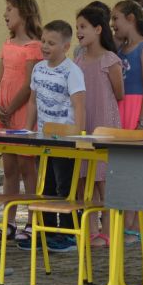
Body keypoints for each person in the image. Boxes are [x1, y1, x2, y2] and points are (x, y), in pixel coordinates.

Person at [21, 20, 86, 252]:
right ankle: (46, 232)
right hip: (43, 138)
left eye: (51, 43)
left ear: (66, 47)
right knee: (45, 186)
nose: (45, 46)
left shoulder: (72, 71)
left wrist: (78, 136)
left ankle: (69, 234)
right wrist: (27, 131)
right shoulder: (38, 69)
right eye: (43, 41)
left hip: (66, 141)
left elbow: (79, 105)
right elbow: (32, 102)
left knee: (65, 186)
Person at [0, 0, 43, 243]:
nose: (5, 14)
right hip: (5, 115)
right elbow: (0, 76)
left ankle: (32, 221)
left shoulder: (34, 47)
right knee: (9, 168)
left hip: (20, 114)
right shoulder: (7, 44)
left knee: (26, 167)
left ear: (24, 13)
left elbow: (29, 84)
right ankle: (8, 222)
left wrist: (10, 108)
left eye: (10, 9)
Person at [74, 5, 123, 248]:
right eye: (76, 28)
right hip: (85, 123)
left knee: (104, 178)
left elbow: (119, 93)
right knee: (87, 178)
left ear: (98, 29)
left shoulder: (110, 60)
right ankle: (92, 230)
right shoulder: (78, 60)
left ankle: (110, 229)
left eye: (83, 27)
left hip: (104, 124)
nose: (78, 32)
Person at [112, 0, 143, 244]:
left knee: (138, 172)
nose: (112, 24)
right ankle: (125, 222)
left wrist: (142, 120)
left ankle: (136, 225)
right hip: (122, 109)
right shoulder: (121, 48)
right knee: (124, 171)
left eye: (116, 18)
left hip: (139, 110)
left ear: (130, 19)